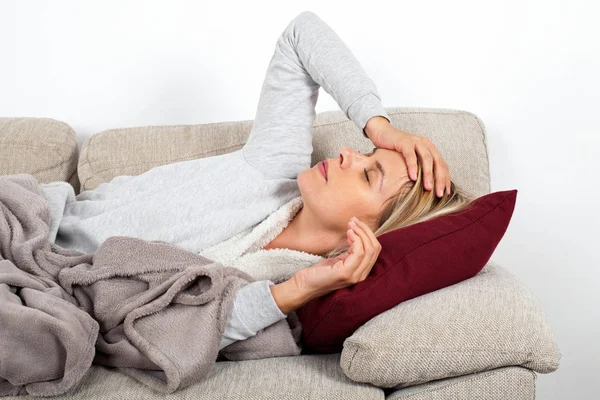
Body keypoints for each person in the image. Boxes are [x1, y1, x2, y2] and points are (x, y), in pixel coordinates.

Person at [40, 11, 474, 351]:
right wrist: (379, 127)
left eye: (367, 173)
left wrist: (300, 288)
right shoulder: (275, 166)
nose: (346, 153)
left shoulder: (299, 287)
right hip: (42, 228)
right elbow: (302, 34)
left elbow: (189, 335)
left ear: (370, 231)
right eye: (364, 153)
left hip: (61, 298)